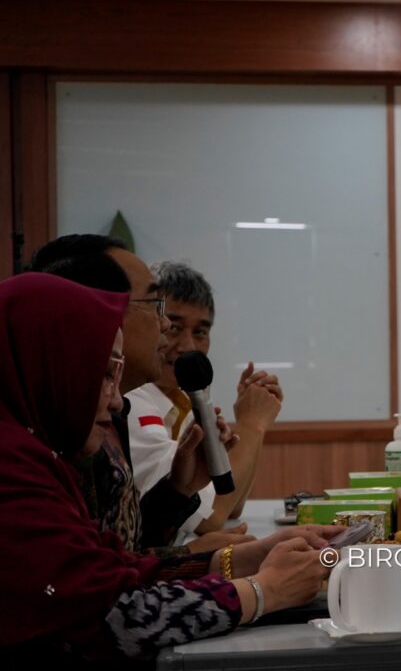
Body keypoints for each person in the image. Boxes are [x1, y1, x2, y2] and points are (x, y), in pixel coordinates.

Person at [0, 273, 338, 664]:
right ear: (50, 362)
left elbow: (113, 566)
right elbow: (111, 615)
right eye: (105, 373)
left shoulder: (39, 452)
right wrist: (263, 591)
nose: (115, 402)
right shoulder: (12, 467)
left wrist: (235, 561)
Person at [30, 235, 245, 554]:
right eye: (155, 306)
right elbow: (90, 589)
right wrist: (250, 587)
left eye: (200, 331)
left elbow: (122, 550)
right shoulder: (34, 441)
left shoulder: (110, 413)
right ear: (98, 312)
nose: (164, 324)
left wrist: (178, 491)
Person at [130, 261, 282, 538]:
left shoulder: (183, 401)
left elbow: (231, 503)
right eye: (173, 327)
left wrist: (250, 418)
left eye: (200, 332)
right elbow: (210, 517)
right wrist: (252, 424)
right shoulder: (132, 399)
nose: (188, 346)